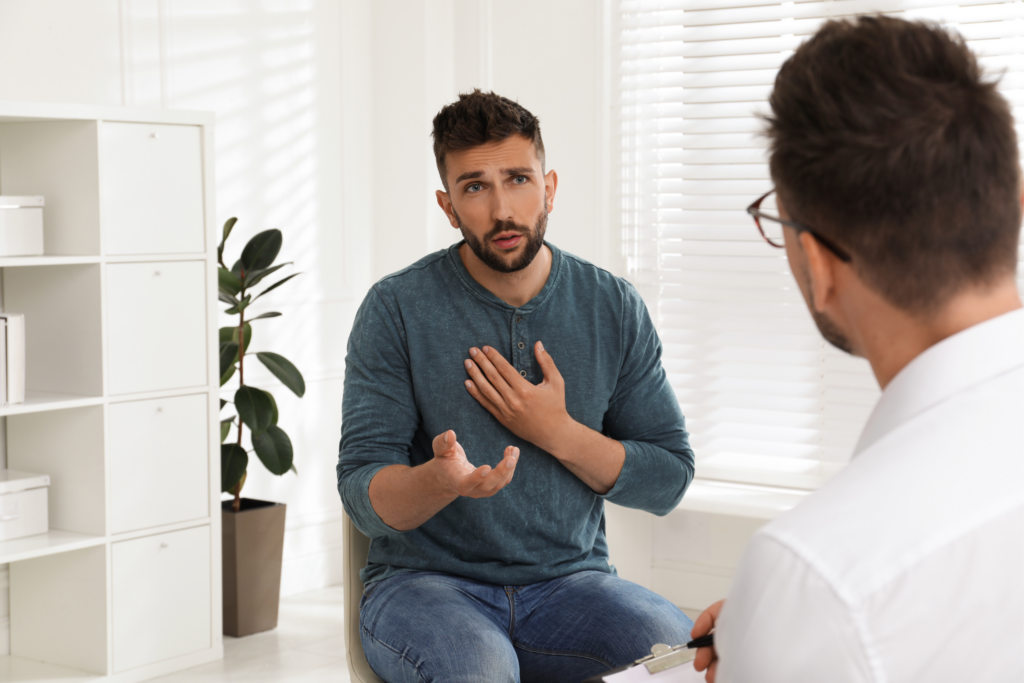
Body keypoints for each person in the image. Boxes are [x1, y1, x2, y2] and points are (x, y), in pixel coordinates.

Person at [689, 16, 1024, 683]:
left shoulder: (818, 573)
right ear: (1013, 203)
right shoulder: (815, 590)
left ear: (819, 264)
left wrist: (788, 629)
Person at [337, 90, 696, 683]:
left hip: (572, 586)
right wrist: (438, 481)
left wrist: (557, 431)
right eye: (474, 187)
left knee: (684, 659)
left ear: (549, 187)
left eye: (518, 179)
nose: (503, 209)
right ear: (448, 206)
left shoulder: (611, 305)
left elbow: (668, 481)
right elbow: (361, 496)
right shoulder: (397, 307)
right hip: (425, 587)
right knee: (479, 668)